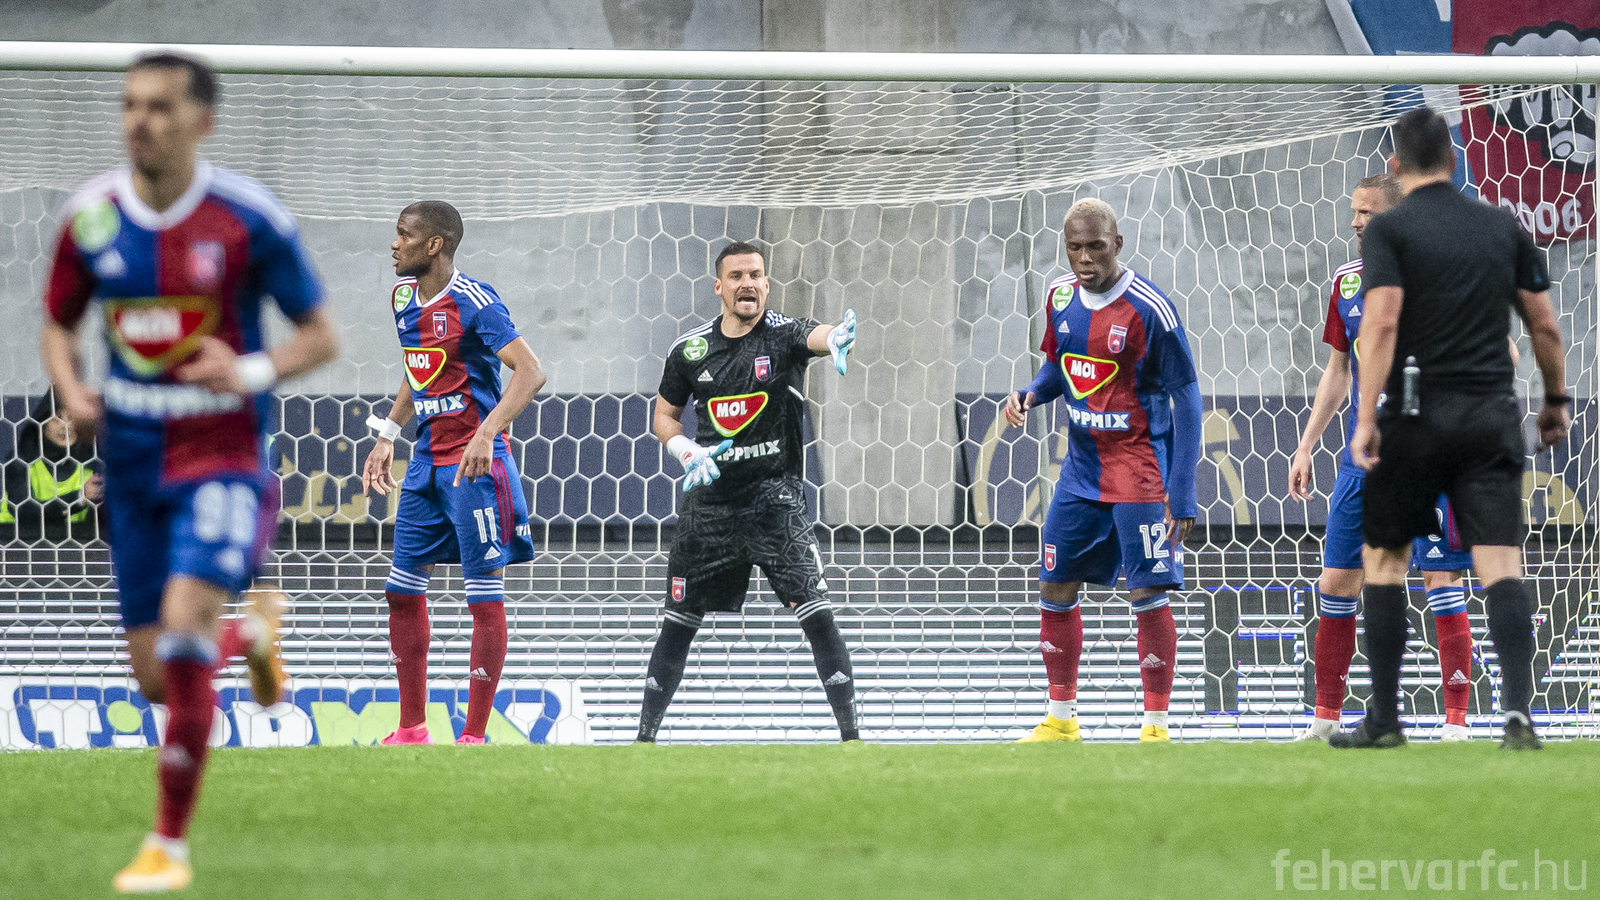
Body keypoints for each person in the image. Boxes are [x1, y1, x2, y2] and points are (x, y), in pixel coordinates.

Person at [39, 52, 339, 892]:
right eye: (131, 104)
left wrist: (247, 371)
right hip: (131, 464)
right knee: (155, 679)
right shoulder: (91, 217)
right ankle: (252, 635)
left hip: (220, 459)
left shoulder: (247, 220)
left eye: (161, 106)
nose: (141, 120)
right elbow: (59, 324)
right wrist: (72, 391)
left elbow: (321, 336)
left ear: (202, 121)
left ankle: (166, 846)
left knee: (179, 634)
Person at [1332, 107, 1569, 751]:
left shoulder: (1391, 231)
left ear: (1396, 166)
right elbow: (1544, 326)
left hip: (1415, 417)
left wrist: (1365, 418)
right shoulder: (1502, 226)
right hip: (1491, 417)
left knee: (1385, 561)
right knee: (1500, 564)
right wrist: (1555, 399)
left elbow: (1381, 323)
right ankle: (1517, 715)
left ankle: (1385, 718)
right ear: (1454, 160)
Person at [635, 241, 859, 744]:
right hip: (710, 506)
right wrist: (685, 450)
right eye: (736, 276)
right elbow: (664, 415)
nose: (747, 284)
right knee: (677, 624)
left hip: (776, 502)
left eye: (755, 275)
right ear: (719, 287)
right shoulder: (689, 350)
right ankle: (643, 742)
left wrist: (835, 337)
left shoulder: (784, 335)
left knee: (819, 617)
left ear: (767, 284)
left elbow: (816, 334)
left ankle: (853, 742)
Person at [1289, 174, 1480, 743]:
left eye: (1367, 213)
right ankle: (1325, 720)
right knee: (1337, 582)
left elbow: (1500, 353)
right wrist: (1306, 444)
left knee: (1440, 577)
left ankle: (1456, 724)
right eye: (1354, 212)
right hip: (1363, 463)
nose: (1355, 222)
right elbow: (1338, 371)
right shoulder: (1347, 282)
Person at [1006, 198, 1202, 744]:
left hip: (1140, 471)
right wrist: (1030, 393)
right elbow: (1060, 366)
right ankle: (1061, 720)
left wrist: (1181, 490)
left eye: (1096, 246)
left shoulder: (1150, 309)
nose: (1085, 258)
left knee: (1147, 592)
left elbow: (1187, 395)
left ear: (1117, 243)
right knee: (1054, 583)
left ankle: (1156, 727)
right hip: (1080, 472)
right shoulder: (1059, 296)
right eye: (1075, 248)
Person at [360, 201, 545, 746]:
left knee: (482, 597)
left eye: (404, 235)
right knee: (400, 591)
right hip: (425, 462)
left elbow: (531, 371)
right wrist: (388, 434)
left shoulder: (474, 302)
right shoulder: (402, 298)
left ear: (434, 244)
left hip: (475, 465)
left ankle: (473, 736)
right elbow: (417, 365)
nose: (394, 244)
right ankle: (412, 729)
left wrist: (488, 432)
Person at [2, 388, 106, 542]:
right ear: (42, 425)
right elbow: (24, 514)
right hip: (13, 543)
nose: (65, 425)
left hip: (73, 549)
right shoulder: (20, 462)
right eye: (57, 418)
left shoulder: (92, 469)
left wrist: (96, 502)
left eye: (71, 418)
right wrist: (79, 497)